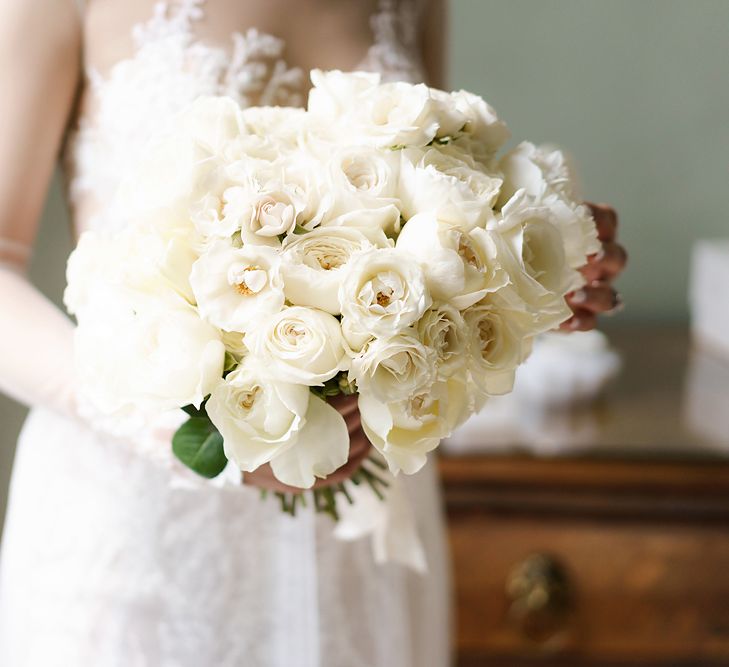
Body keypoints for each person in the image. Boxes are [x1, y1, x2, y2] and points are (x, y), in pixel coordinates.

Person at [0, 1, 626, 665]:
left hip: (362, 538)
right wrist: (188, 438)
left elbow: (421, 211)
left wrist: (515, 269)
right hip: (136, 534)